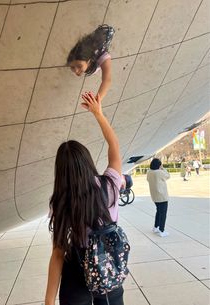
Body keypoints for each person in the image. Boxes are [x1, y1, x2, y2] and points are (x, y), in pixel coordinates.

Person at [45, 92, 124, 305]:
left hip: (76, 278)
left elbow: (58, 254)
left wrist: (49, 300)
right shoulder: (110, 184)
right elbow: (114, 146)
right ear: (88, 161)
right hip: (108, 272)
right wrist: (98, 113)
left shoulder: (60, 202)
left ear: (60, 173)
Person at [67, 25, 115, 102]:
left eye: (79, 66)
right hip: (93, 43)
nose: (76, 71)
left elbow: (107, 80)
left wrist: (96, 101)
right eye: (72, 67)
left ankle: (106, 30)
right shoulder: (76, 56)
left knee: (105, 36)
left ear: (89, 60)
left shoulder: (104, 58)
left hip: (105, 36)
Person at [147, 158, 170, 237]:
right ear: (159, 165)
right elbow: (168, 176)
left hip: (154, 196)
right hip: (162, 196)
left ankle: (156, 227)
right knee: (163, 213)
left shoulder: (149, 172)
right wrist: (163, 168)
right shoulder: (159, 172)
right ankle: (162, 230)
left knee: (158, 211)